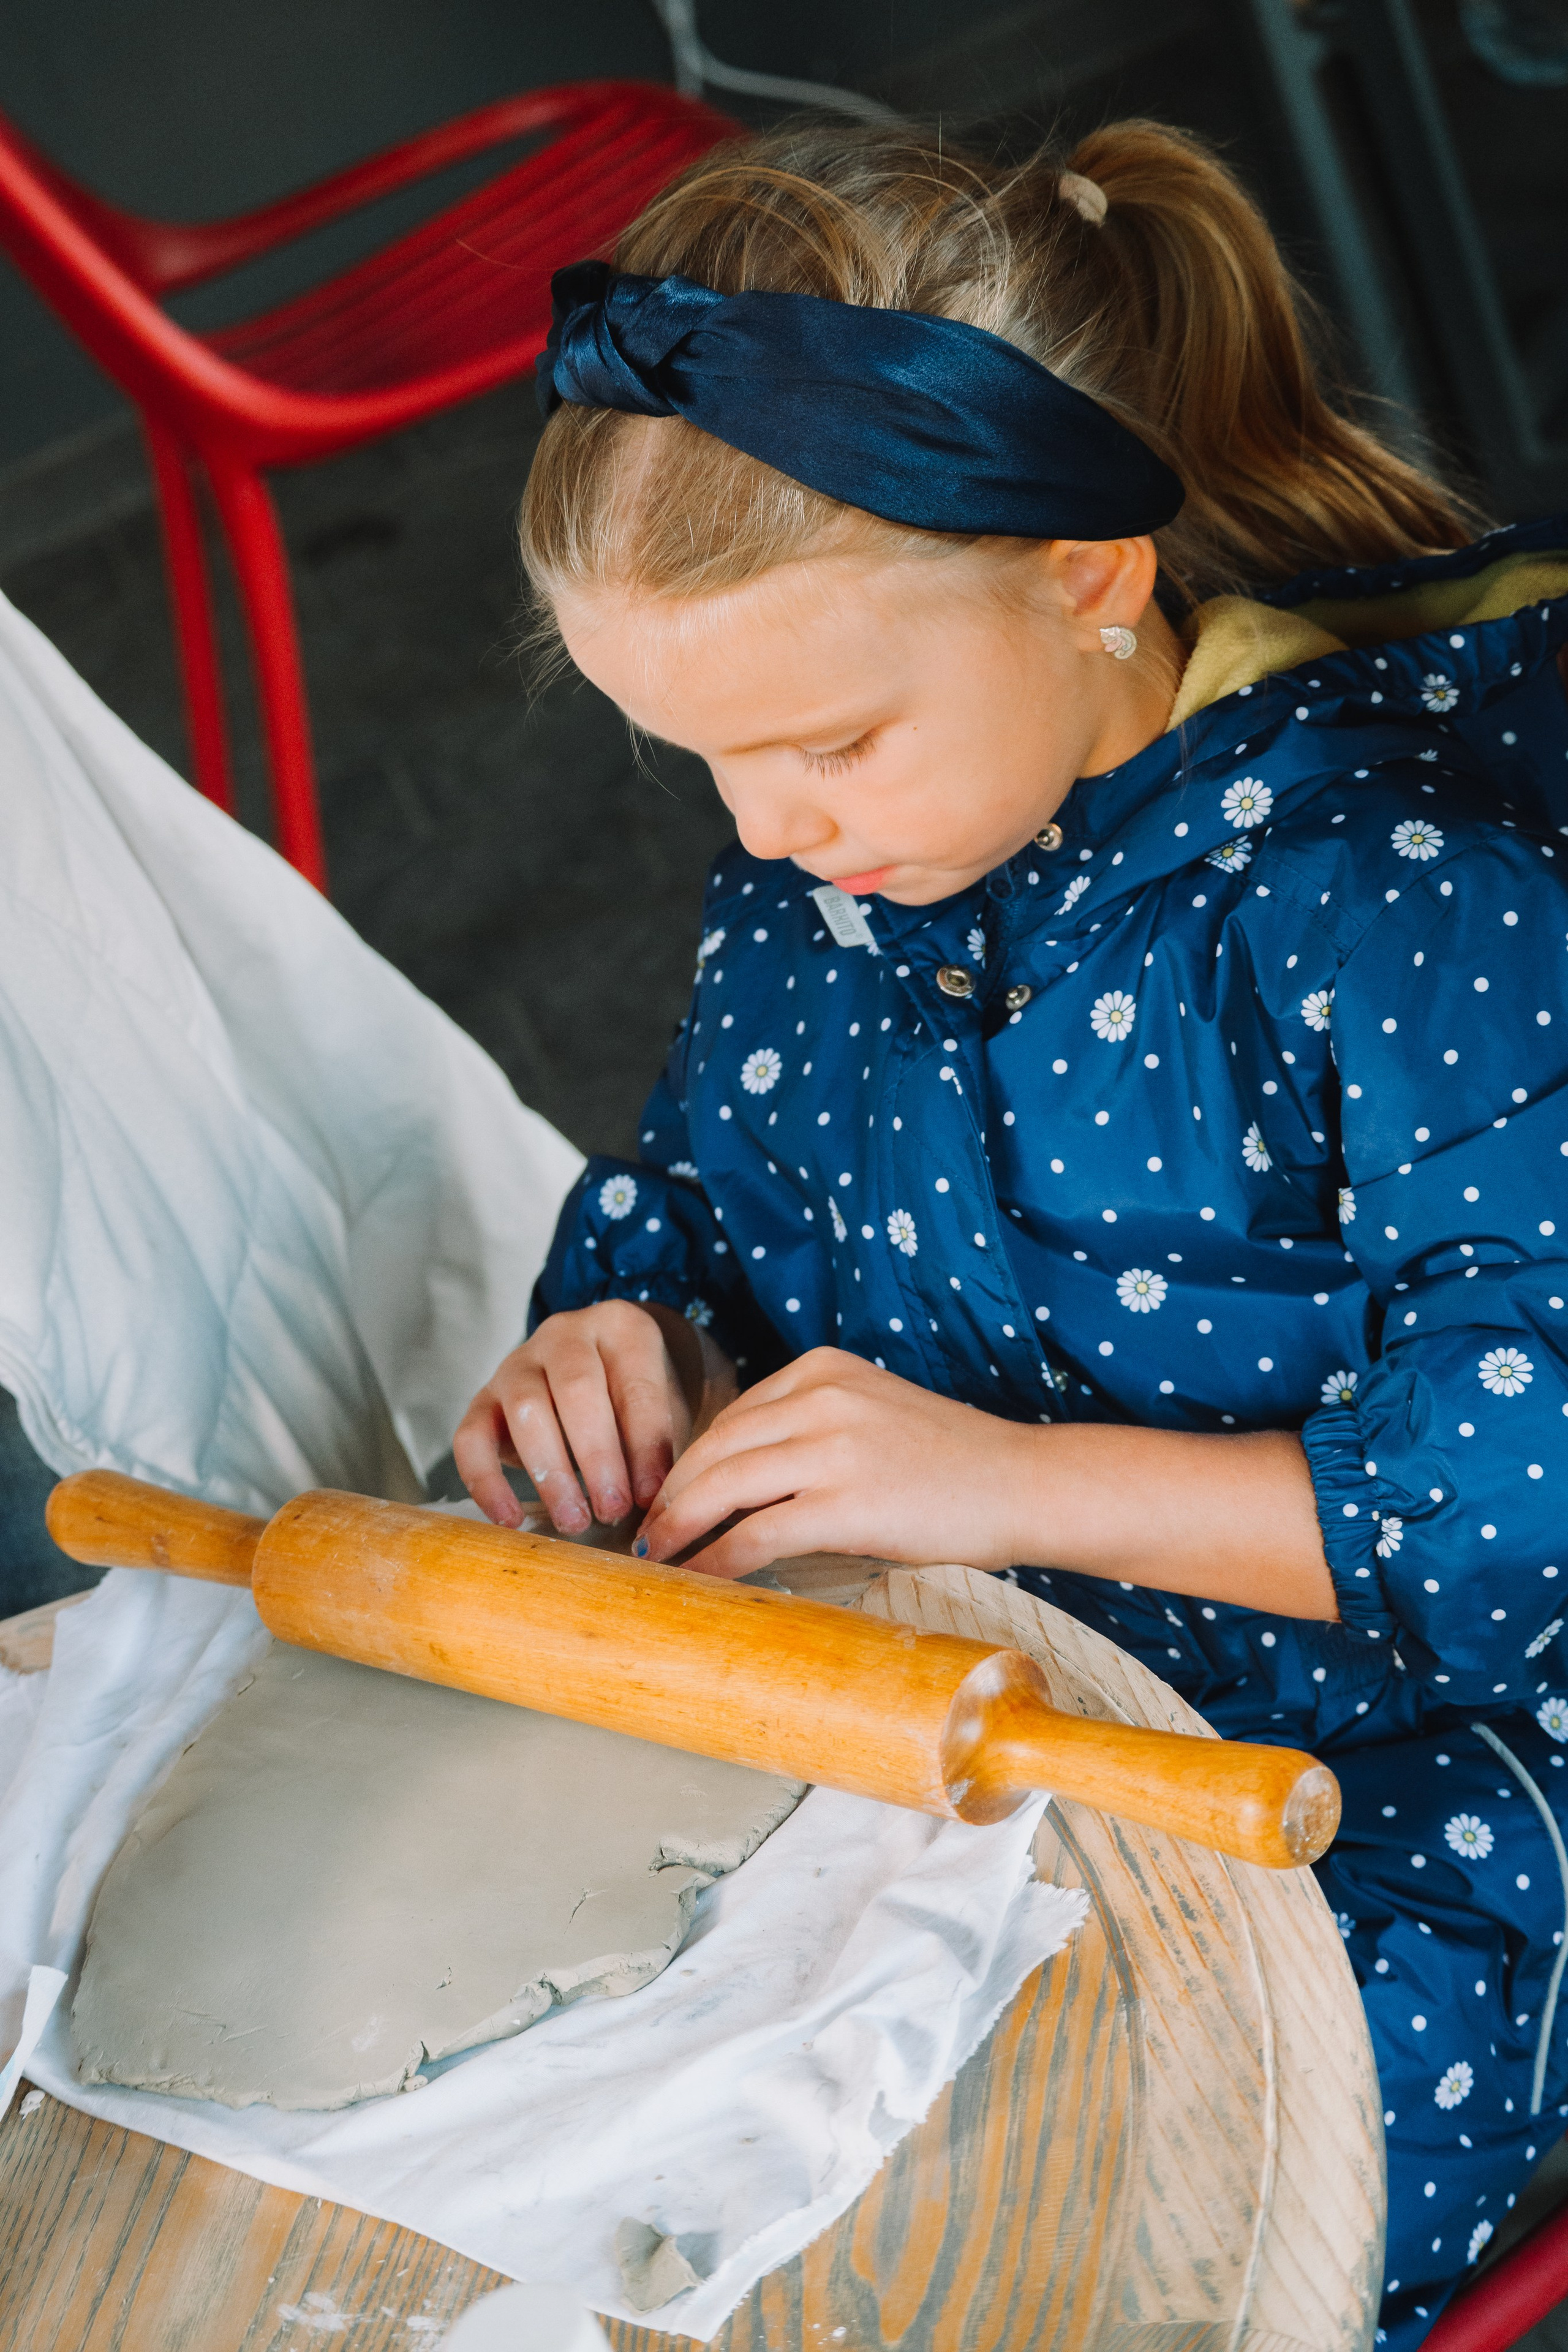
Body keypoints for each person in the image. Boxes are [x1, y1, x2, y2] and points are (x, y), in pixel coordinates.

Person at [453, 118, 1568, 2344]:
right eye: (704, 769)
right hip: (970, 1736)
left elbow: (1525, 1503)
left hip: (1418, 1811)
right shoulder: (832, 871)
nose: (769, 829)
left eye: (831, 739)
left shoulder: (1403, 905)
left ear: (1087, 572)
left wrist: (995, 1480)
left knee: (1087, 2261)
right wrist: (625, 1333)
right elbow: (699, 1200)